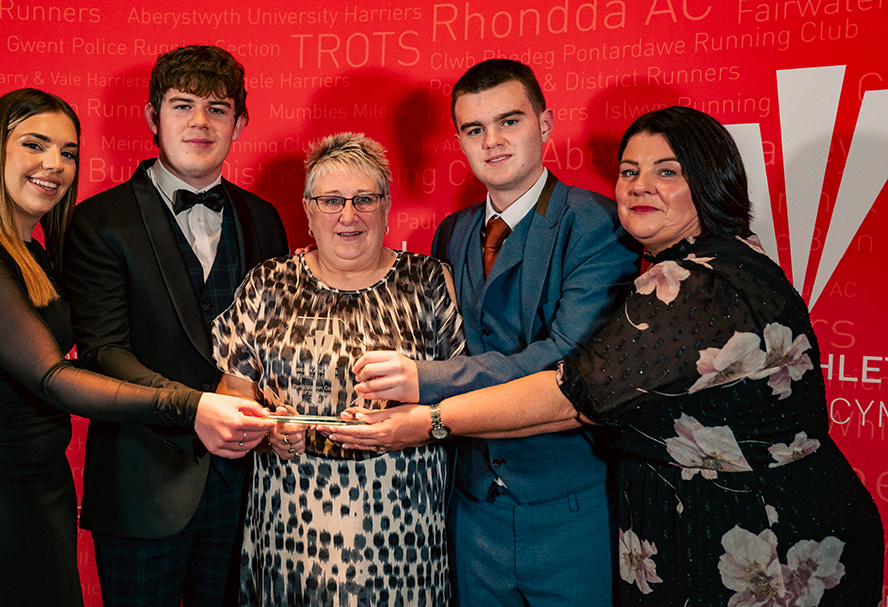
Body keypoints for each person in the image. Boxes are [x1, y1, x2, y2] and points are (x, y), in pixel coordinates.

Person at [331, 106, 885, 605]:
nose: (641, 186)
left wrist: (427, 419)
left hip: (762, 544)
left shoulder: (692, 283)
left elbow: (573, 395)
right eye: (630, 171)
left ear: (712, 179)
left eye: (667, 171)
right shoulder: (720, 256)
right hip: (705, 529)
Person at [0, 88, 273, 607]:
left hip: (40, 483)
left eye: (67, 151)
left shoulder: (32, 253)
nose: (52, 165)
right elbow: (52, 377)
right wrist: (192, 405)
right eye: (34, 145)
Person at [345, 59, 641, 606]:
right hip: (470, 507)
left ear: (545, 124)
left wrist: (423, 380)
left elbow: (566, 361)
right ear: (458, 139)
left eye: (510, 122)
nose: (493, 142)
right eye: (474, 129)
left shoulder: (599, 225)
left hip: (567, 509)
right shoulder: (452, 232)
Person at [62, 46, 289, 606]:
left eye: (217, 108)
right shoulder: (98, 221)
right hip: (143, 487)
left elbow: (278, 344)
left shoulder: (263, 217)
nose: (199, 123)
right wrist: (197, 407)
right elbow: (102, 353)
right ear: (151, 117)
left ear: (240, 122)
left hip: (248, 493)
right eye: (182, 105)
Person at [211, 132, 465, 606]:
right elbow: (233, 392)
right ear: (307, 209)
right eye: (331, 201)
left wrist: (415, 424)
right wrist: (266, 428)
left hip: (401, 528)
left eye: (364, 199)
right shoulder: (268, 283)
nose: (349, 216)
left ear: (387, 205)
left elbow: (463, 398)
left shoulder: (429, 281)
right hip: (290, 522)